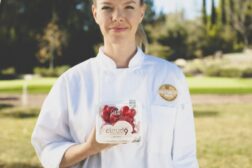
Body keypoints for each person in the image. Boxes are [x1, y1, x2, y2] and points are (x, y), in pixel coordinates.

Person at [31, 0, 199, 167]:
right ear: (95, 13)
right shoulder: (71, 82)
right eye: (107, 7)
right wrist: (89, 148)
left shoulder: (170, 76)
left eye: (129, 6)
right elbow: (48, 149)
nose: (118, 17)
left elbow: (185, 158)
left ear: (142, 12)